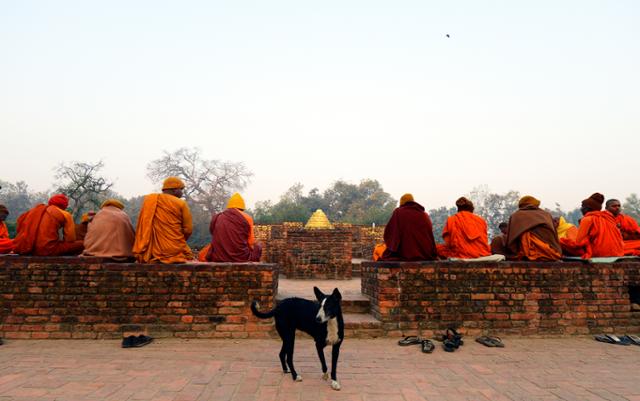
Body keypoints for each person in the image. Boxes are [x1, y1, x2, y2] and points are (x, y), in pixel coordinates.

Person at [132, 177, 193, 263]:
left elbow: (144, 226)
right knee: (188, 254)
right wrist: (178, 240)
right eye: (181, 189)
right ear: (175, 190)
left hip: (150, 252)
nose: (182, 192)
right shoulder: (181, 203)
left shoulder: (149, 201)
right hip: (174, 250)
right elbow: (188, 230)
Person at [13, 194, 84, 256]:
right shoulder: (65, 214)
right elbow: (70, 239)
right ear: (65, 205)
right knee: (82, 244)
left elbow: (19, 226)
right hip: (48, 249)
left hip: (27, 248)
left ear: (50, 202)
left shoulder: (33, 210)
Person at [205, 193, 262, 262]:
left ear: (229, 206)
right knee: (258, 246)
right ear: (242, 207)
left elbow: (213, 234)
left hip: (219, 257)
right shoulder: (247, 218)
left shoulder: (218, 217)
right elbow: (251, 242)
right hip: (241, 258)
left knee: (206, 251)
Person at [379, 193, 437, 261]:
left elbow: (391, 234)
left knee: (378, 249)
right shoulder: (424, 215)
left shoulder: (398, 212)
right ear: (413, 201)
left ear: (401, 203)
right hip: (425, 253)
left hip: (405, 253)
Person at [505, 196, 561, 261]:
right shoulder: (546, 215)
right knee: (525, 235)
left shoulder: (516, 215)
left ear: (521, 205)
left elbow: (511, 239)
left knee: (524, 235)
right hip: (550, 252)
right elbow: (554, 236)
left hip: (525, 253)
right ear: (536, 204)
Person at [569, 193, 624, 258]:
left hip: (599, 253)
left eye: (582, 207)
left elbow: (579, 242)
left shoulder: (587, 219)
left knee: (562, 242)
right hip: (619, 253)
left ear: (588, 208)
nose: (581, 209)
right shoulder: (610, 218)